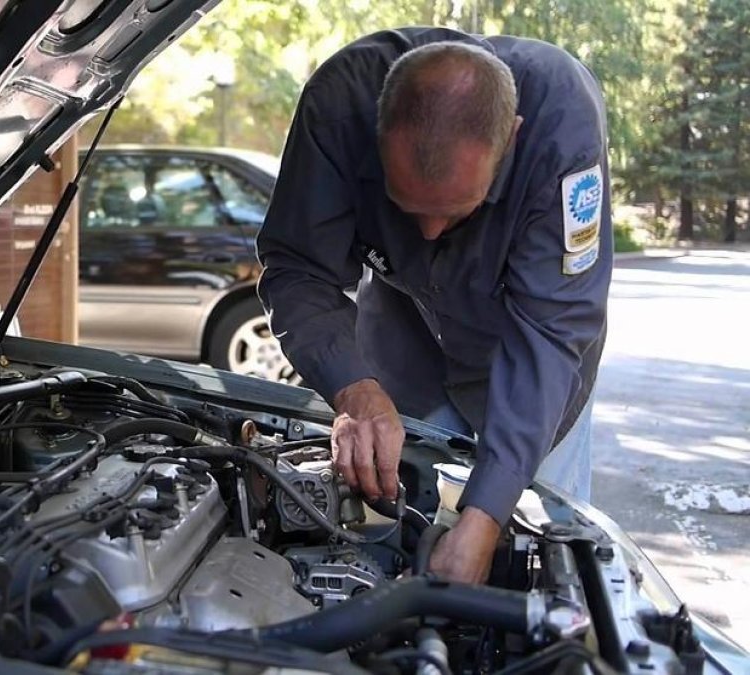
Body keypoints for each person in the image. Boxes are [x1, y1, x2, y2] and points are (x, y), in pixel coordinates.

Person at [256, 27, 612, 584]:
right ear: (376, 134)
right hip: (402, 346)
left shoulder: (560, 128)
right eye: (407, 208)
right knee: (380, 535)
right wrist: (354, 387)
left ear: (511, 140)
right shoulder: (338, 108)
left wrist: (486, 516)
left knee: (535, 558)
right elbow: (299, 270)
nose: (428, 232)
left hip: (534, 378)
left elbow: (550, 330)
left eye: (457, 211)